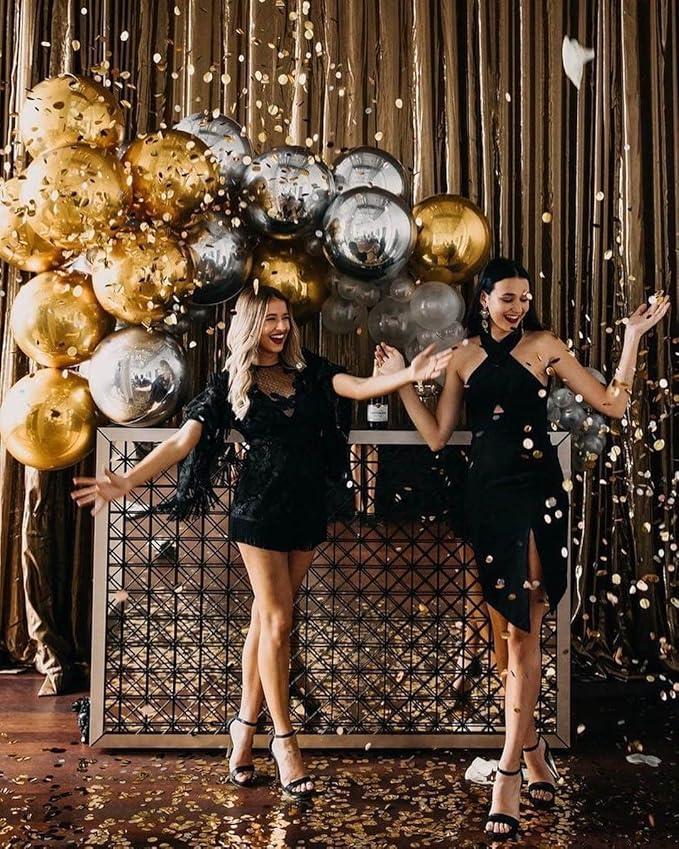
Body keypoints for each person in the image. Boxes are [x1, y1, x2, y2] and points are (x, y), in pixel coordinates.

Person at [72, 284, 452, 802]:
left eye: (285, 318)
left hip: (307, 510)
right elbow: (184, 440)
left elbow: (358, 387)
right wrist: (128, 481)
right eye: (270, 318)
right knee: (278, 621)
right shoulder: (232, 381)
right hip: (258, 512)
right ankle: (285, 741)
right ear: (251, 324)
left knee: (264, 622)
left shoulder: (310, 372)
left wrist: (405, 376)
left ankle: (243, 731)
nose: (280, 327)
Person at [375, 257, 669, 840]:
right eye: (507, 298)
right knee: (501, 642)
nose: (518, 307)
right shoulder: (462, 356)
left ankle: (508, 771)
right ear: (483, 299)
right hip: (486, 501)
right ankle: (534, 750)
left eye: (525, 298)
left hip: (537, 497)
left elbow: (612, 405)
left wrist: (633, 337)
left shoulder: (545, 346)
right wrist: (404, 382)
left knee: (522, 632)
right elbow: (436, 436)